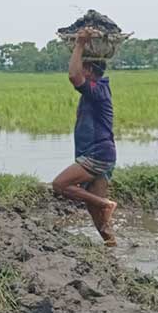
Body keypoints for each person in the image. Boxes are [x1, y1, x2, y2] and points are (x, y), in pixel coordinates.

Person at [51, 28, 119, 246]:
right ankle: (112, 247)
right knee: (95, 213)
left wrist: (80, 44)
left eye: (83, 66)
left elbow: (73, 76)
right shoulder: (96, 90)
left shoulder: (97, 90)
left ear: (89, 69)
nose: (80, 68)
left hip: (97, 154)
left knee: (60, 185)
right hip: (99, 153)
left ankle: (106, 204)